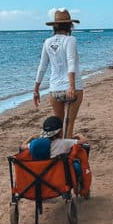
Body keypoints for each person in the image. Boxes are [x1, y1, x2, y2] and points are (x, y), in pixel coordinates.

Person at [34, 9, 84, 138]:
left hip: (54, 89)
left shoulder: (47, 42)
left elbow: (42, 66)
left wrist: (36, 89)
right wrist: (71, 86)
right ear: (69, 26)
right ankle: (67, 154)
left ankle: (59, 154)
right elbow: (71, 62)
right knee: (69, 124)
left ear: (54, 26)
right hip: (73, 88)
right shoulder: (70, 40)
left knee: (59, 126)